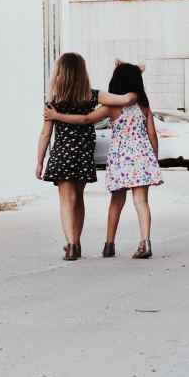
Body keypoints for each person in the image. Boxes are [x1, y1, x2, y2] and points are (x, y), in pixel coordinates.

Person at [44, 61, 162, 259]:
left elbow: (85, 119)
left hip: (121, 159)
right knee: (141, 201)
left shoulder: (111, 108)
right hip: (142, 158)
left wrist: (58, 116)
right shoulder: (144, 107)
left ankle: (109, 244)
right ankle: (145, 242)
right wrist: (154, 159)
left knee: (116, 201)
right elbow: (152, 135)